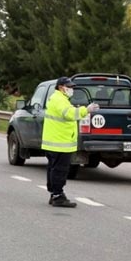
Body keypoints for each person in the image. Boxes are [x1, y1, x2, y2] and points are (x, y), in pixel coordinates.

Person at [42, 76, 99, 208]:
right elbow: (70, 114)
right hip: (59, 143)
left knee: (54, 169)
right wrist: (87, 109)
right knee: (60, 170)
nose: (71, 89)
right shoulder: (59, 99)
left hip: (55, 141)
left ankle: (54, 194)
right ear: (61, 87)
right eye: (69, 87)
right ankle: (57, 196)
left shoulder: (58, 98)